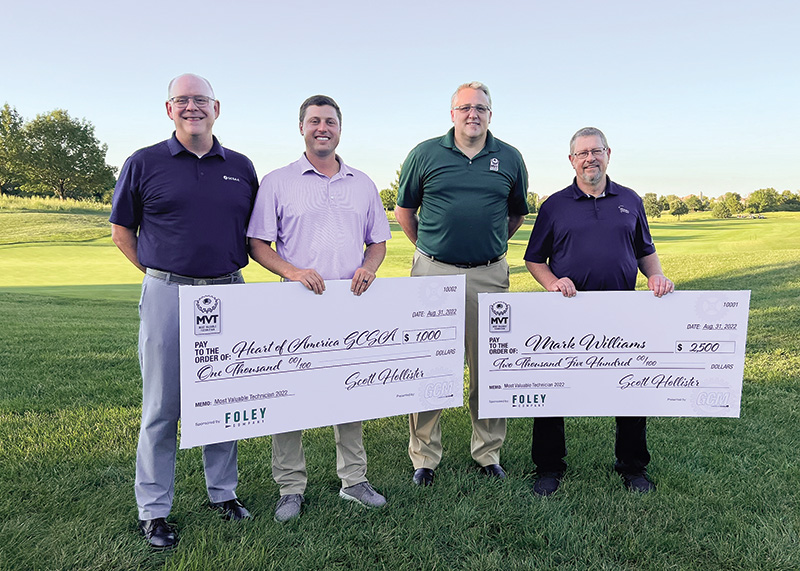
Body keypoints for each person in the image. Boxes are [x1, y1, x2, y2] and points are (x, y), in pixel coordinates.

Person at [110, 74, 258, 549]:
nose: (192, 107)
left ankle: (224, 493)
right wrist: (163, 274)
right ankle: (153, 510)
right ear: (169, 109)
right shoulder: (144, 162)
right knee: (161, 406)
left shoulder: (240, 166)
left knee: (222, 398)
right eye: (183, 100)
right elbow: (122, 232)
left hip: (228, 290)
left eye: (201, 100)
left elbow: (254, 235)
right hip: (168, 294)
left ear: (217, 108)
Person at [247, 95, 392, 522]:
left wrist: (369, 266)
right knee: (288, 396)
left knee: (350, 393)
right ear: (302, 128)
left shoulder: (362, 183)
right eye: (314, 121)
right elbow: (257, 243)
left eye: (330, 121)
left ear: (340, 129)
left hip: (349, 306)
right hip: (295, 304)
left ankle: (354, 480)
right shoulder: (277, 181)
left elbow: (378, 241)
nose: (322, 128)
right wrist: (291, 271)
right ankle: (290, 488)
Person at [524, 126, 674, 496]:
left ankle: (633, 466)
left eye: (596, 151)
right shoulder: (554, 205)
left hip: (623, 309)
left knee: (630, 387)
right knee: (553, 387)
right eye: (582, 153)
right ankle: (548, 467)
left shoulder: (631, 200)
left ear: (609, 154)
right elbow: (534, 260)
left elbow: (644, 251)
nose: (590, 158)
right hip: (567, 311)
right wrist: (552, 283)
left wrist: (656, 276)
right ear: (571, 160)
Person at [395, 81, 529, 486]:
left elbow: (515, 216)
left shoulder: (509, 157)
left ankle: (487, 452)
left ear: (491, 114)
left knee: (488, 366)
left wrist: (484, 248)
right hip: (434, 271)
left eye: (481, 108)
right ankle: (424, 456)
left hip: (488, 273)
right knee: (431, 364)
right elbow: (405, 212)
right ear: (452, 113)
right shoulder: (425, 153)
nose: (473, 114)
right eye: (465, 107)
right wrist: (433, 250)